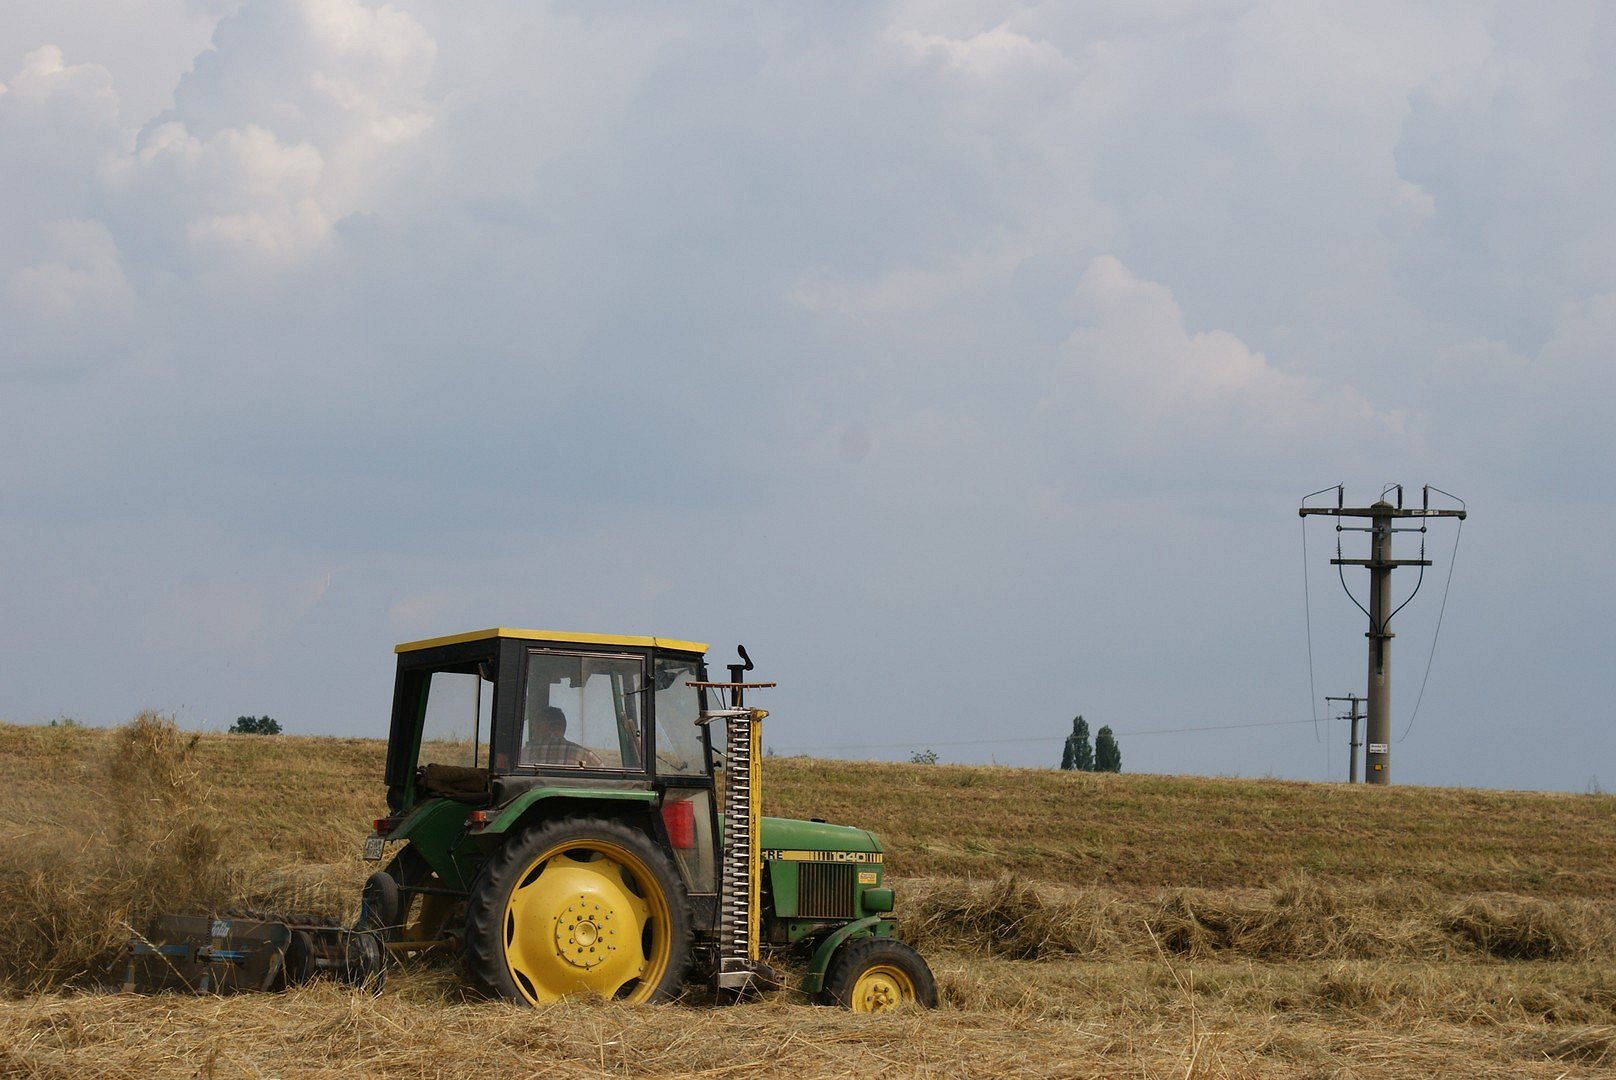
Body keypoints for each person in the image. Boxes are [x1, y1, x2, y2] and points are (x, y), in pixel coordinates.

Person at [523, 706, 601, 767]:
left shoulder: (523, 755)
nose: (533, 731)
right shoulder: (585, 756)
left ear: (546, 728)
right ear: (563, 729)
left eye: (535, 726)